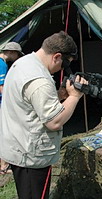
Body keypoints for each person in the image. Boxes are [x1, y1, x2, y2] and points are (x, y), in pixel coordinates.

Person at [0, 31, 87, 199]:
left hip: (18, 146)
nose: (63, 69)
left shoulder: (23, 63)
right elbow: (54, 122)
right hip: (31, 157)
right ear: (57, 57)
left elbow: (28, 101)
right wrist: (75, 96)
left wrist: (59, 95)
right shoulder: (40, 80)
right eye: (64, 64)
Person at [0, 42, 24, 175]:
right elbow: (2, 87)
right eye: (17, 54)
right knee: (4, 133)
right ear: (10, 52)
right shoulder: (2, 64)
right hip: (1, 104)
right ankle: (4, 166)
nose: (17, 57)